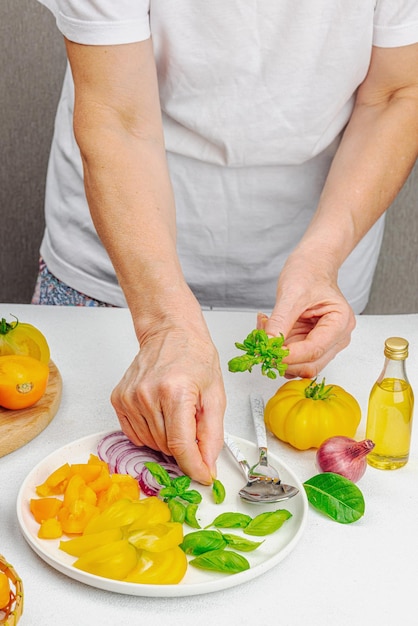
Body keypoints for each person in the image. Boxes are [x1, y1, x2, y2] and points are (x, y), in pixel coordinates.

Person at [34, 1, 418, 483]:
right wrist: (163, 323)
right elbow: (119, 119)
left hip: (312, 278)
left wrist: (321, 259)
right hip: (115, 271)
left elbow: (396, 95)